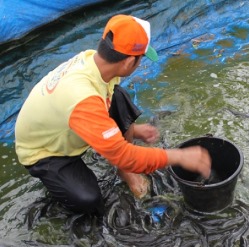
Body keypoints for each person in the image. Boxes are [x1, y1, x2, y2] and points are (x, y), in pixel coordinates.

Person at [14, 14, 211, 216]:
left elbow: (110, 102)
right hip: (46, 151)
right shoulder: (82, 97)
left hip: (70, 123)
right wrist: (180, 156)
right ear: (128, 63)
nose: (141, 64)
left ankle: (124, 170)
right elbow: (125, 156)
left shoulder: (94, 60)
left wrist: (133, 130)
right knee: (88, 200)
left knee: (118, 95)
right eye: (141, 59)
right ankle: (96, 172)